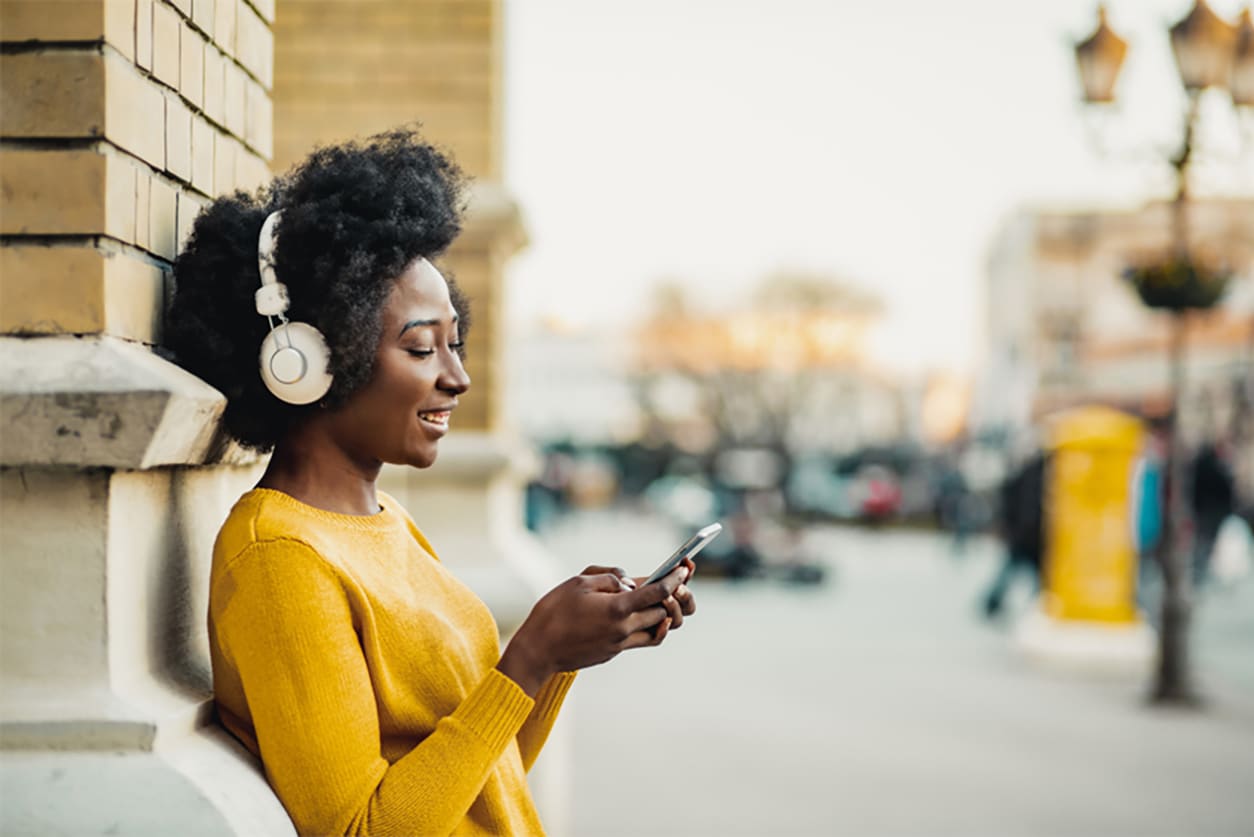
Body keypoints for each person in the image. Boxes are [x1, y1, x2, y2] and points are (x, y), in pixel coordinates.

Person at [164, 128, 696, 837]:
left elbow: (482, 778)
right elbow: (359, 828)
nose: (457, 376)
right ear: (307, 358)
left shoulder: (381, 520)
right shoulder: (280, 558)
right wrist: (530, 654)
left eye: (456, 341)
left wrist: (562, 657)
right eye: (421, 346)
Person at [982, 449, 1047, 619]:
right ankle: (1036, 606)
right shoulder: (1038, 476)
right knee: (1033, 574)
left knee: (1011, 570)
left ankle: (993, 602)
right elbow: (1027, 508)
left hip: (1021, 534)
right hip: (1029, 535)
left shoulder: (1022, 475)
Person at [1189, 439, 1235, 588]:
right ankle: (1200, 574)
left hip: (1205, 511)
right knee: (1205, 544)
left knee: (1203, 543)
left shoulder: (1203, 464)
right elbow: (1224, 490)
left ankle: (1199, 573)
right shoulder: (1215, 467)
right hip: (1211, 512)